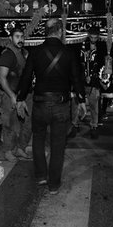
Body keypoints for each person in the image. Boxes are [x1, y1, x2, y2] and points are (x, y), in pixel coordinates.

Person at [17, 18, 86, 195]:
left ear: (45, 32)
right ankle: (53, 184)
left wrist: (20, 99)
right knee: (58, 145)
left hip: (40, 104)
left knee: (38, 140)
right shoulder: (69, 53)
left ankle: (41, 175)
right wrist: (82, 100)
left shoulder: (35, 52)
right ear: (61, 31)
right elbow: (76, 79)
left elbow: (26, 77)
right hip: (61, 105)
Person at [0, 27, 31, 161]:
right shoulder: (8, 54)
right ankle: (8, 151)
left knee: (28, 122)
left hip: (24, 94)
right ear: (11, 38)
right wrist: (12, 96)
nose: (20, 39)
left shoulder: (25, 52)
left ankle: (20, 148)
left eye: (22, 36)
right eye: (17, 36)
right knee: (9, 124)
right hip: (8, 94)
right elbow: (2, 78)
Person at [78, 26, 103, 139]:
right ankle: (75, 123)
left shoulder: (101, 48)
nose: (93, 39)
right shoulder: (82, 46)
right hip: (82, 80)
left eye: (95, 37)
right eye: (91, 37)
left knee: (94, 105)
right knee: (78, 104)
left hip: (95, 81)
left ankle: (94, 126)